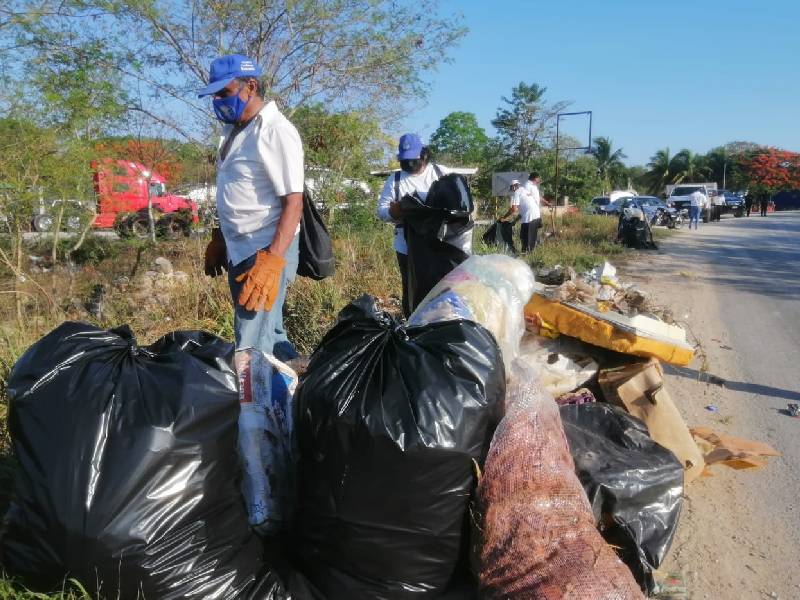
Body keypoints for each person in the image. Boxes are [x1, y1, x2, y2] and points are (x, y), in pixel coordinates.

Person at [199, 54, 304, 361]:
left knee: (251, 345)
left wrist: (271, 261)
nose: (218, 101)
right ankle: (294, 396)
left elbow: (293, 202)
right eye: (215, 95)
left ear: (251, 86)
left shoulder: (275, 130)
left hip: (264, 249)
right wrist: (219, 237)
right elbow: (235, 190)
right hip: (238, 248)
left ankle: (256, 409)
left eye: (224, 93)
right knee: (269, 334)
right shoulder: (234, 132)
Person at [377, 133, 450, 316]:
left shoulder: (441, 173)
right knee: (413, 291)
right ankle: (414, 327)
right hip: (407, 247)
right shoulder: (394, 180)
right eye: (405, 160)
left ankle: (441, 323)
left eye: (413, 159)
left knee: (443, 289)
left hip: (441, 245)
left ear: (424, 155)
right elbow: (381, 211)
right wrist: (393, 212)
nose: (409, 164)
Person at [521, 172, 548, 251]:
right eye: (539, 178)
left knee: (534, 233)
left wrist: (546, 202)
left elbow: (537, 196)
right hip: (530, 214)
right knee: (529, 234)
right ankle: (527, 251)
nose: (540, 179)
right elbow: (526, 197)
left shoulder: (534, 186)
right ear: (535, 178)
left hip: (535, 212)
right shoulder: (527, 185)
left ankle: (531, 249)